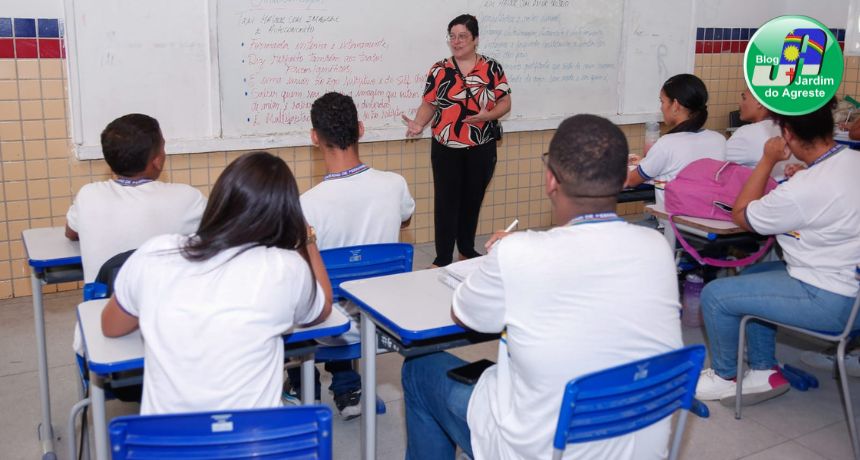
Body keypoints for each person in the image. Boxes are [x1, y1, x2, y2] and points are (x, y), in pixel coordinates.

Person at [401, 115, 683, 459]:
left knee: (419, 369)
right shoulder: (656, 249)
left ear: (551, 180)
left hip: (542, 449)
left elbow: (465, 314)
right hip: (635, 445)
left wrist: (509, 255)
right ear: (625, 178)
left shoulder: (518, 253)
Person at [100, 151, 333, 414]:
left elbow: (111, 326)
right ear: (286, 214)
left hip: (168, 446)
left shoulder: (156, 252)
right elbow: (323, 309)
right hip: (256, 444)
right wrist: (308, 238)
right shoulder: (286, 267)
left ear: (220, 199)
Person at [695, 100, 860, 406]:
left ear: (787, 133)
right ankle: (762, 371)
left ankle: (723, 377)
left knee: (716, 294)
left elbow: (742, 215)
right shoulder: (851, 160)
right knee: (754, 275)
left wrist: (767, 161)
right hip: (852, 290)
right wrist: (806, 175)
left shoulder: (805, 188)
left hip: (831, 301)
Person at [284, 92, 415, 419]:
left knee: (304, 286)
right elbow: (405, 217)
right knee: (351, 287)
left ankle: (303, 386)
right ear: (360, 129)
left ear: (314, 137)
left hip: (331, 328)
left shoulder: (307, 205)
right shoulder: (394, 185)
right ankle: (347, 384)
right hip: (386, 321)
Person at [66, 113, 206, 354]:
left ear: (109, 161)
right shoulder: (186, 198)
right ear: (158, 160)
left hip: (103, 335)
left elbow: (71, 232)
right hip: (173, 336)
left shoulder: (88, 195)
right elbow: (218, 234)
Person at [402, 13, 512, 267]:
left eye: (463, 36)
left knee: (472, 200)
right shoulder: (440, 69)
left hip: (481, 145)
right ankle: (442, 258)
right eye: (452, 36)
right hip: (445, 145)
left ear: (475, 39)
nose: (457, 41)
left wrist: (488, 114)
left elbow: (505, 102)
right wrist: (419, 123)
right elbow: (429, 103)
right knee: (446, 202)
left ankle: (465, 249)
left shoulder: (492, 68)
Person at [625, 74, 726, 207]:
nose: (661, 108)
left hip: (672, 224)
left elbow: (631, 181)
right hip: (708, 221)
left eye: (662, 102)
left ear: (675, 105)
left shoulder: (667, 144)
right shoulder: (719, 140)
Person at [725, 87, 801, 179]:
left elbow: (716, 165)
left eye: (744, 98)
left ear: (759, 103)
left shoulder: (747, 133)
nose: (740, 103)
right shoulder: (794, 129)